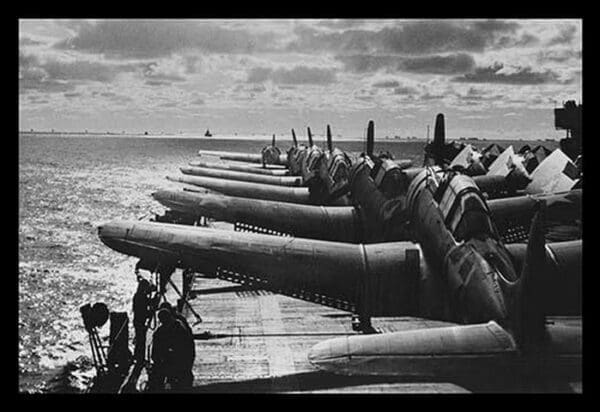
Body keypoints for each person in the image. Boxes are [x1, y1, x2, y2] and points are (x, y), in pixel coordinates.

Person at [148, 308, 195, 392]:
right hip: (175, 358)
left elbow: (185, 349)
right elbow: (155, 353)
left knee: (182, 378)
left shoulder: (179, 329)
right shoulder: (161, 332)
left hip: (182, 359)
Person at [132, 278, 152, 363]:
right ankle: (140, 358)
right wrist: (149, 313)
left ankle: (138, 356)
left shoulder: (139, 295)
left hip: (139, 320)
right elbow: (143, 310)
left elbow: (148, 302)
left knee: (140, 339)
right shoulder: (140, 297)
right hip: (139, 321)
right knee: (141, 340)